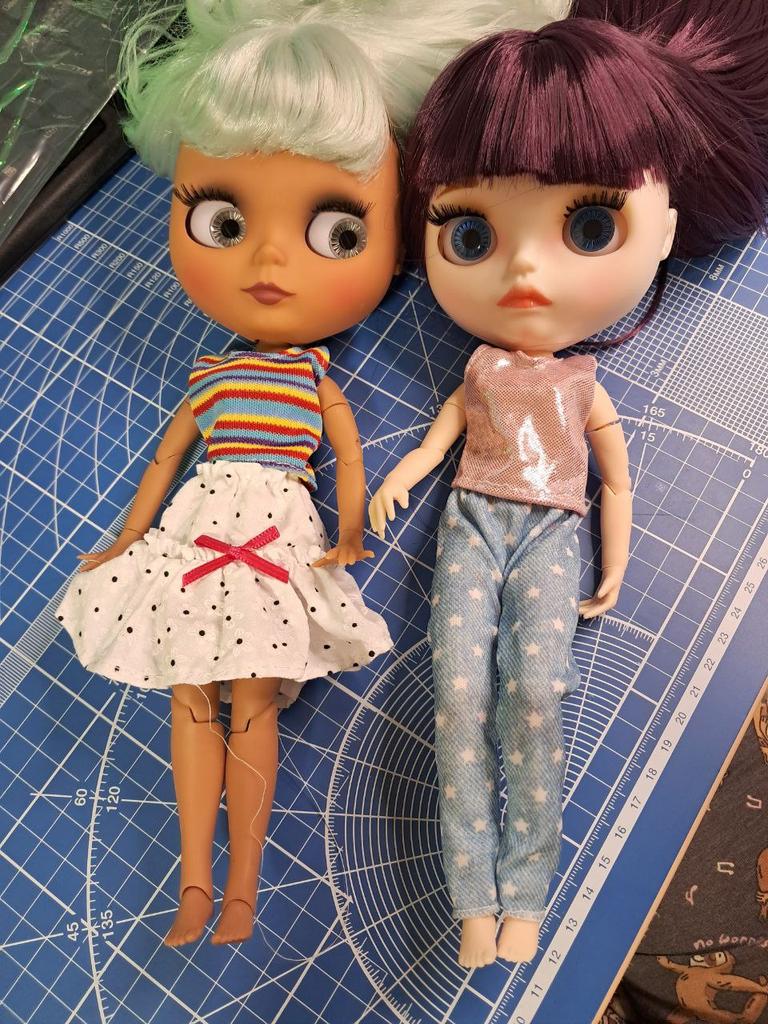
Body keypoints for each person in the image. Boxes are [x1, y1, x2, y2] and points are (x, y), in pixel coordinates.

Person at [55, 0, 564, 949]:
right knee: (188, 692)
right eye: (221, 219)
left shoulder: (317, 378)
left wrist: (353, 527)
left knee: (251, 699)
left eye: (338, 231)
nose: (268, 259)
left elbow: (352, 455)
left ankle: (241, 889)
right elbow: (168, 457)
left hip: (270, 533)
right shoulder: (211, 376)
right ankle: (196, 883)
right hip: (201, 528)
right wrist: (129, 535)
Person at [370, 0, 768, 969]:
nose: (523, 269)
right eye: (470, 235)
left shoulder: (583, 383)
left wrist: (614, 562)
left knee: (537, 694)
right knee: (455, 692)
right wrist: (403, 476)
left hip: (554, 531)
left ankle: (527, 896)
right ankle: (474, 896)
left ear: (666, 228)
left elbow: (615, 482)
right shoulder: (479, 371)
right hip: (471, 523)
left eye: (590, 225)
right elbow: (438, 441)